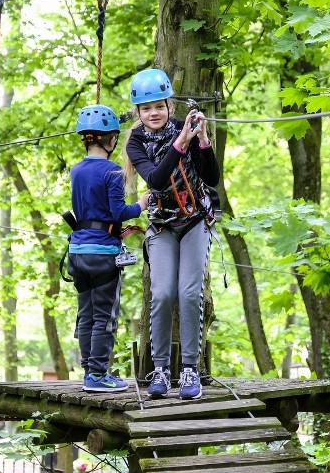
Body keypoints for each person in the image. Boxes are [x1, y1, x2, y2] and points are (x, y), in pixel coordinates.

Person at [122, 69, 220, 400]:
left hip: (194, 221)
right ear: (138, 112)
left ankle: (190, 368)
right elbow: (156, 181)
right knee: (162, 294)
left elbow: (211, 177)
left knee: (189, 293)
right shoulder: (135, 143)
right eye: (146, 108)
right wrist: (180, 144)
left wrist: (202, 142)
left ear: (168, 104)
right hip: (162, 224)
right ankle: (160, 369)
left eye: (159, 106)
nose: (154, 113)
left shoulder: (185, 128)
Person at [67, 104, 150, 392]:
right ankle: (98, 375)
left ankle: (89, 370)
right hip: (103, 255)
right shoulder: (113, 172)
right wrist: (140, 205)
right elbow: (118, 212)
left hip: (77, 253)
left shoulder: (76, 171)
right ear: (109, 139)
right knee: (104, 316)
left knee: (87, 313)